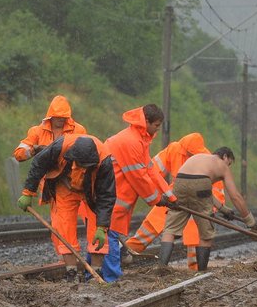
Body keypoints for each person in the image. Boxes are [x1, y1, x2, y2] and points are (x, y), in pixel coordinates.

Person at [17, 134, 116, 283]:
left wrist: (102, 227)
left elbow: (106, 196)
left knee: (97, 229)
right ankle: (71, 272)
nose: (82, 169)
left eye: (86, 167)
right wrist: (28, 192)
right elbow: (39, 164)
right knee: (64, 226)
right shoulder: (60, 146)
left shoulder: (104, 162)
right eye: (80, 165)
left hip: (92, 190)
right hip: (65, 186)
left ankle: (96, 273)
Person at [159, 146, 257, 271]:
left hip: (180, 182)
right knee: (206, 230)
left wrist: (223, 209)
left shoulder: (199, 158)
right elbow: (235, 196)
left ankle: (161, 268)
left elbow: (202, 189)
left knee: (170, 229)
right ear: (225, 156)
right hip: (200, 184)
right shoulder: (221, 165)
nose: (228, 166)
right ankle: (201, 271)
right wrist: (249, 220)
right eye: (229, 163)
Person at [101, 104, 169, 281]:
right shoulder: (131, 141)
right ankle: (111, 277)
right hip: (112, 194)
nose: (157, 130)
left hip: (117, 195)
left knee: (107, 235)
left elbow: (150, 170)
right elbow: (139, 176)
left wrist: (169, 195)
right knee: (110, 237)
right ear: (146, 121)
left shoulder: (140, 139)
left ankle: (94, 273)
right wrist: (157, 199)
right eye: (156, 125)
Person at [125, 132, 211, 256]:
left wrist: (210, 207)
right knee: (151, 225)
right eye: (189, 154)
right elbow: (153, 170)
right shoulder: (174, 149)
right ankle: (127, 252)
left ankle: (195, 269)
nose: (191, 156)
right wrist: (153, 192)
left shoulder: (206, 158)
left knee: (193, 234)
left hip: (198, 200)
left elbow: (216, 186)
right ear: (184, 149)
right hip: (174, 196)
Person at [12, 95, 86, 162]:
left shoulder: (79, 130)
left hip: (69, 175)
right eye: (58, 116)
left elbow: (86, 154)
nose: (61, 119)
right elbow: (18, 155)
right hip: (44, 175)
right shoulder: (37, 131)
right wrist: (33, 151)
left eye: (64, 117)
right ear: (51, 116)